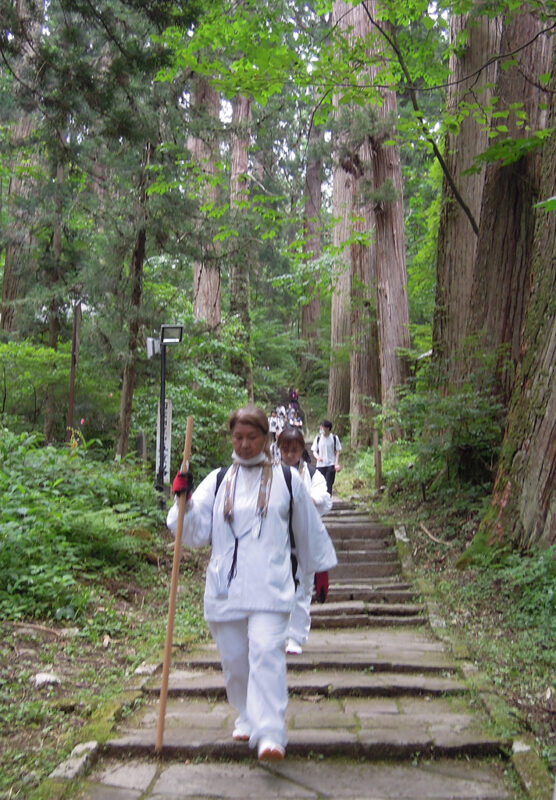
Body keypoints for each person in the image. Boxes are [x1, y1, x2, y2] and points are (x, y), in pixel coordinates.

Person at [166, 405, 337, 762]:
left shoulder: (287, 480)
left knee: (266, 653)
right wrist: (183, 500)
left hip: (271, 585)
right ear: (232, 438)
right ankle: (246, 713)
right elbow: (191, 532)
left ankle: (272, 732)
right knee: (235, 660)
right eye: (238, 437)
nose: (244, 445)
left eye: (252, 437)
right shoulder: (217, 480)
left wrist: (318, 568)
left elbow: (307, 528)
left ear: (266, 439)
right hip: (226, 587)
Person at [277, 426, 332, 656]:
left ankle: (296, 638)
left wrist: (307, 498)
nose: (290, 454)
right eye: (285, 449)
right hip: (277, 541)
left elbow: (325, 499)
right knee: (278, 590)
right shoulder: (271, 474)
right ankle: (278, 634)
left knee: (302, 591)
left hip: (304, 541)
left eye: (294, 450)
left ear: (301, 450)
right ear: (279, 450)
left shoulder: (311, 474)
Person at [311, 419, 342, 496]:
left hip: (331, 465)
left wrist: (336, 464)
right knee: (320, 484)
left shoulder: (334, 438)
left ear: (328, 428)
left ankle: (328, 501)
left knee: (329, 484)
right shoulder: (318, 438)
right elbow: (314, 451)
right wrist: (317, 457)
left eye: (323, 427)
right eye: (321, 427)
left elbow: (337, 451)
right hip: (320, 465)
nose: (321, 429)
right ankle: (321, 502)